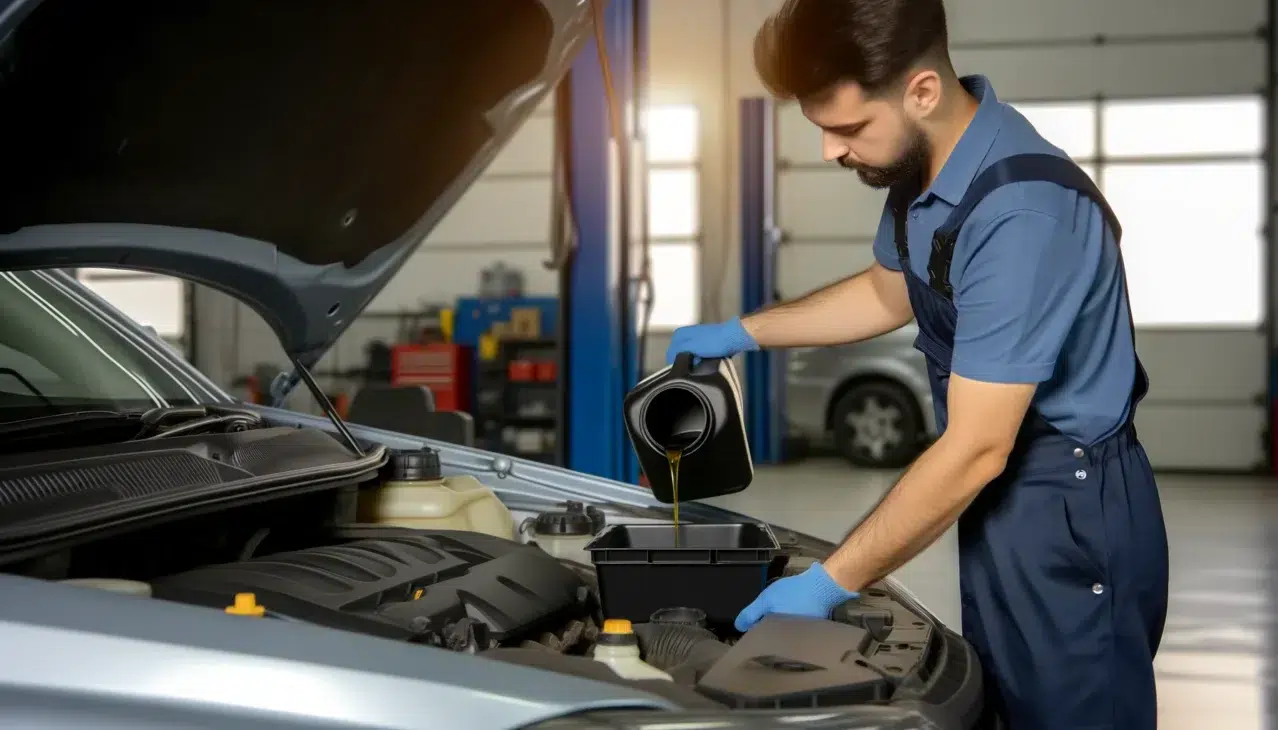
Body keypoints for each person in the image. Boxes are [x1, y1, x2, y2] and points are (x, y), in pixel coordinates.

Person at [665, 1, 1170, 728]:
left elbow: (974, 450)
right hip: (1009, 503)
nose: (830, 152)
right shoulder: (923, 172)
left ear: (923, 91)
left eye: (846, 129)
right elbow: (886, 291)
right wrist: (745, 331)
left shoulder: (1024, 214)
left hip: (1070, 507)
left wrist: (830, 581)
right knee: (1007, 704)